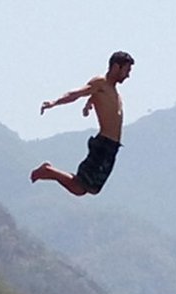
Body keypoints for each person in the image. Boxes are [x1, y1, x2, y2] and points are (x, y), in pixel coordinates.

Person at [31, 51, 134, 196]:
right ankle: (48, 171)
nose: (128, 75)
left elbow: (97, 97)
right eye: (127, 70)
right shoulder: (101, 83)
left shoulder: (113, 91)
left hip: (111, 148)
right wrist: (55, 102)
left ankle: (49, 171)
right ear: (116, 66)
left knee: (93, 188)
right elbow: (77, 93)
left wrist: (90, 103)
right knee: (80, 187)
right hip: (103, 145)